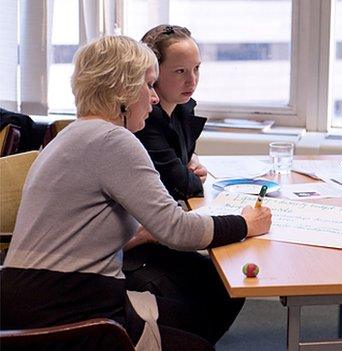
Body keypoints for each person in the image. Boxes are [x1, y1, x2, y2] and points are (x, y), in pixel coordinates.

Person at [0, 35, 272, 351]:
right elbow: (179, 231)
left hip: (35, 296)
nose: (154, 98)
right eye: (148, 85)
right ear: (122, 93)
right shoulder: (114, 141)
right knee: (199, 342)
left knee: (198, 316)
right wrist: (247, 223)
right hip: (69, 306)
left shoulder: (72, 135)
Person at [122, 24, 242, 346]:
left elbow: (184, 172)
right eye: (180, 72)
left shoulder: (180, 109)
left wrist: (188, 167)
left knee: (225, 284)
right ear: (152, 73)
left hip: (150, 235)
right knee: (217, 285)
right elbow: (186, 186)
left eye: (197, 69)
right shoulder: (140, 124)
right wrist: (245, 224)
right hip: (130, 253)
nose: (192, 81)